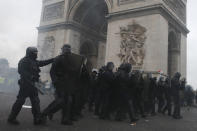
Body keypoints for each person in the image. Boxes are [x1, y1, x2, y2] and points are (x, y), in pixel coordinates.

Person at [7, 47, 54, 125]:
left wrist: (52, 59)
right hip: (25, 85)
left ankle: (37, 119)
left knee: (35, 102)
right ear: (30, 53)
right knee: (20, 101)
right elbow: (21, 72)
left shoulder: (34, 61)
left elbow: (42, 63)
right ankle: (12, 118)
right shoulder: (24, 61)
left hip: (33, 85)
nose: (36, 54)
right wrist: (31, 78)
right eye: (34, 53)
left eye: (36, 52)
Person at [41, 44, 85, 125]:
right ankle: (44, 113)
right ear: (62, 49)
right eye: (65, 48)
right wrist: (55, 81)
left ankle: (65, 119)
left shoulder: (71, 60)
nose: (67, 50)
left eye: (69, 48)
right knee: (61, 101)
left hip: (68, 84)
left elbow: (73, 71)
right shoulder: (58, 58)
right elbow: (52, 71)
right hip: (60, 83)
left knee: (68, 101)